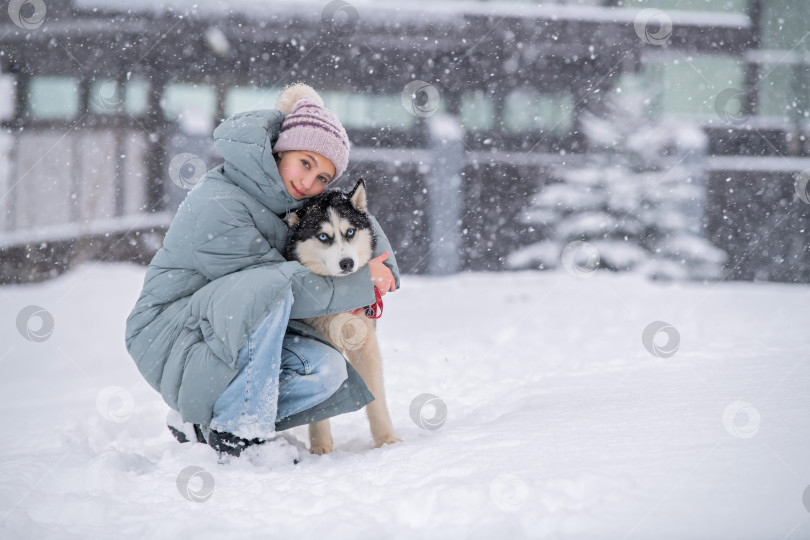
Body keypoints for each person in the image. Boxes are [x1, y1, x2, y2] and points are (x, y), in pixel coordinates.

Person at [124, 83, 400, 458]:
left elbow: (351, 214)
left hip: (227, 331)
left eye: (322, 177)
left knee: (326, 373)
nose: (309, 183)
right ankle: (240, 430)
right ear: (281, 149)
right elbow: (276, 287)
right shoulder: (220, 202)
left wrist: (383, 267)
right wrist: (360, 283)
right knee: (269, 288)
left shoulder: (287, 195)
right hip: (176, 334)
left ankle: (204, 421)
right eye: (306, 163)